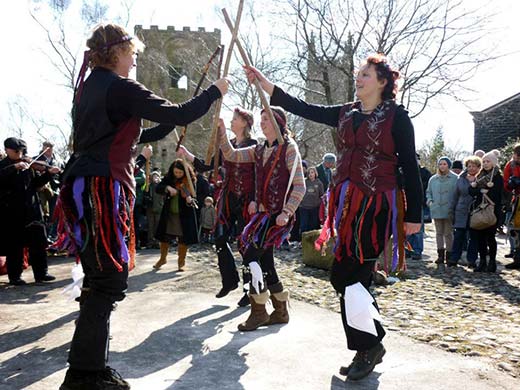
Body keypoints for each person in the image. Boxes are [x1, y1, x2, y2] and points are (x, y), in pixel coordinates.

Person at [55, 23, 228, 390]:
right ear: (116, 52)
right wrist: (215, 91)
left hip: (84, 184)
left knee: (100, 278)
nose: (134, 62)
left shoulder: (90, 87)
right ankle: (82, 376)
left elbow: (120, 134)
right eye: (132, 54)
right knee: (106, 280)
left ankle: (92, 369)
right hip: (100, 187)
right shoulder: (118, 87)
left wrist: (159, 130)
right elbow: (179, 114)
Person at [245, 53, 422, 381]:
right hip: (347, 205)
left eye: (366, 74)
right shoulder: (346, 113)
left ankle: (367, 347)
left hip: (376, 205)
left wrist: (414, 216)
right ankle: (371, 341)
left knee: (349, 275)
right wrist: (264, 83)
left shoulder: (397, 117)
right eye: (359, 73)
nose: (359, 78)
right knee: (347, 275)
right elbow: (301, 107)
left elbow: (410, 166)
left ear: (383, 82)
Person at [217, 106, 305, 332]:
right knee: (265, 263)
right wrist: (221, 132)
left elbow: (299, 185)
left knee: (250, 255)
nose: (262, 123)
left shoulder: (289, 148)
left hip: (277, 217)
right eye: (262, 119)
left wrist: (287, 212)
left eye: (267, 119)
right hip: (261, 216)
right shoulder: (257, 149)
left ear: (279, 123)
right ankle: (281, 310)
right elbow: (231, 155)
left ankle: (258, 312)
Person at [178, 107, 257, 306]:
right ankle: (230, 280)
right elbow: (208, 165)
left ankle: (250, 289)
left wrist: (256, 200)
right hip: (229, 197)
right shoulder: (227, 144)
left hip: (247, 199)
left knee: (245, 245)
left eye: (235, 119)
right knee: (220, 239)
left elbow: (254, 171)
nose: (232, 121)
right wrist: (187, 154)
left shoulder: (254, 145)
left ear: (245, 123)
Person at [0, 137, 60, 285]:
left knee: (38, 243)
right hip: (11, 212)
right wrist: (13, 168)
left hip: (32, 210)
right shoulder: (3, 166)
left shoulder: (29, 166)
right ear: (7, 150)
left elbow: (37, 184)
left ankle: (41, 274)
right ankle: (15, 277)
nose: (20, 154)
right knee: (15, 246)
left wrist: (48, 174)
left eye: (21, 151)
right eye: (16, 151)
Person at [153, 159, 198, 271]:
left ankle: (181, 262)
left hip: (184, 215)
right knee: (164, 237)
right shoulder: (169, 179)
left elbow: (194, 196)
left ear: (185, 172)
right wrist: (167, 188)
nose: (177, 175)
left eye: (180, 173)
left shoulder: (190, 180)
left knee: (183, 239)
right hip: (169, 213)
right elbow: (158, 188)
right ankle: (162, 259)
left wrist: (189, 199)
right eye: (176, 172)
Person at [469, 151, 503, 272]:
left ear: (493, 163)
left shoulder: (498, 177)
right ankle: (482, 261)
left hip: (492, 210)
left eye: (488, 161)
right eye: (484, 161)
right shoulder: (479, 176)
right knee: (480, 238)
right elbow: (472, 191)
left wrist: (484, 190)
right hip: (479, 209)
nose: (485, 163)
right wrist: (479, 190)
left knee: (490, 237)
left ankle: (492, 262)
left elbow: (498, 194)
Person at [448, 156, 480, 267]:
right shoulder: (460, 179)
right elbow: (455, 196)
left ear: (478, 167)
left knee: (473, 237)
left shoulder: (481, 179)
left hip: (475, 211)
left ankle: (471, 260)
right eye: (469, 166)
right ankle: (454, 258)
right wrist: (451, 210)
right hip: (461, 210)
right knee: (459, 236)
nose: (471, 168)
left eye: (474, 166)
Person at [426, 157, 458, 264]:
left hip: (449, 209)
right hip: (436, 209)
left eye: (444, 164)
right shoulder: (433, 179)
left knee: (448, 233)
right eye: (440, 164)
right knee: (439, 233)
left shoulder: (455, 178)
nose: (442, 166)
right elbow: (428, 192)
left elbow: (458, 193)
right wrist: (430, 202)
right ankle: (440, 255)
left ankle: (449, 255)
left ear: (449, 165)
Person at [503, 143, 520, 269]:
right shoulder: (510, 165)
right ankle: (517, 258)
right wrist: (510, 184)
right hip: (518, 199)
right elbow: (506, 184)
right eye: (516, 154)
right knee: (516, 230)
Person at [300, 166, 324, 233]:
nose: (310, 174)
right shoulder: (304, 182)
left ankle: (312, 241)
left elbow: (321, 195)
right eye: (309, 173)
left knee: (313, 225)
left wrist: (318, 203)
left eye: (312, 172)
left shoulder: (319, 183)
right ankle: (302, 240)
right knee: (304, 225)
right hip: (304, 207)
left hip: (314, 207)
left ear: (315, 173)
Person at [144, 170, 163, 249]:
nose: (155, 178)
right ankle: (150, 242)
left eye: (157, 176)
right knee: (150, 225)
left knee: (158, 226)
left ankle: (157, 242)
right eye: (154, 176)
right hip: (150, 208)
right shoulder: (148, 186)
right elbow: (145, 195)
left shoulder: (161, 186)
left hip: (159, 207)